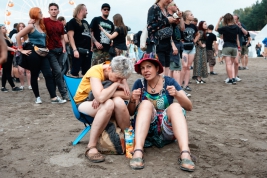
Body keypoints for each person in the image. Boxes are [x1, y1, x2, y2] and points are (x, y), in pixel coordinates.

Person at [128, 53, 194, 171]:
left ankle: (185, 152)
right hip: (146, 131)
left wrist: (178, 94)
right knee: (146, 104)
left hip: (167, 130)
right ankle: (138, 150)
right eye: (142, 68)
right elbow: (131, 113)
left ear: (157, 68)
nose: (145, 70)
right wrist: (132, 100)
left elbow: (189, 106)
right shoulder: (139, 84)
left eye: (149, 67)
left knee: (175, 106)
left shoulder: (169, 82)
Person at [74, 56, 133, 163]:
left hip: (101, 102)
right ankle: (91, 147)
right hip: (84, 102)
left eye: (122, 79)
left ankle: (129, 138)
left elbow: (127, 95)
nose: (120, 81)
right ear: (109, 69)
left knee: (118, 101)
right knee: (109, 103)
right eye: (118, 78)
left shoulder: (119, 72)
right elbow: (101, 98)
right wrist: (115, 85)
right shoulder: (95, 71)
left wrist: (105, 94)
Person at [16, 7, 65, 104]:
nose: (42, 13)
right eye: (40, 12)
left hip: (43, 52)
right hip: (33, 52)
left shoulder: (42, 25)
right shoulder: (31, 26)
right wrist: (21, 50)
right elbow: (18, 36)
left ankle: (54, 97)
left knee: (48, 74)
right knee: (34, 75)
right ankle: (37, 97)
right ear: (35, 14)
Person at [147, 0, 178, 76]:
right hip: (157, 44)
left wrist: (174, 22)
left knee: (166, 71)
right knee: (160, 71)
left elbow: (168, 28)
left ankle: (164, 87)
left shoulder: (165, 10)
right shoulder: (154, 8)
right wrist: (166, 21)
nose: (170, 1)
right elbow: (150, 27)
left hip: (167, 44)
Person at [44, 3, 68, 101]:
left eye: (55, 9)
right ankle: (63, 94)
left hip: (60, 50)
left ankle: (53, 94)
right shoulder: (44, 21)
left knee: (58, 73)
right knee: (58, 72)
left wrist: (64, 48)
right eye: (52, 9)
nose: (53, 11)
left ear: (58, 11)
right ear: (49, 11)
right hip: (50, 50)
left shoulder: (60, 24)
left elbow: (62, 38)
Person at [67, 4, 92, 77]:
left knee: (86, 72)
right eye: (86, 10)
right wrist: (75, 50)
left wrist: (91, 48)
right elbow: (70, 36)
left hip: (87, 51)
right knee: (75, 71)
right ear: (81, 10)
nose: (87, 12)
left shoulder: (86, 22)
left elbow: (89, 35)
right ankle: (74, 87)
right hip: (78, 50)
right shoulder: (72, 22)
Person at [215, 13, 240, 84]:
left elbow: (216, 29)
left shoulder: (225, 28)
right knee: (231, 63)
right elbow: (236, 27)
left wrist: (219, 20)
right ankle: (234, 78)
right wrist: (233, 21)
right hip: (234, 47)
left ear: (225, 20)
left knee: (228, 64)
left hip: (227, 46)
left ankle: (230, 79)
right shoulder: (236, 27)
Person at [180, 10, 200, 92]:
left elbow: (198, 34)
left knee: (188, 67)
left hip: (192, 47)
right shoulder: (181, 25)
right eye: (191, 15)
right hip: (184, 48)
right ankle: (180, 84)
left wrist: (194, 41)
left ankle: (186, 85)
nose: (193, 16)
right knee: (184, 66)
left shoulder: (193, 26)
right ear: (186, 16)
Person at [167, 2, 185, 87]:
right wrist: (173, 45)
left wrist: (180, 17)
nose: (177, 7)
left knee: (172, 68)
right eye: (174, 5)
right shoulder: (168, 18)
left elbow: (182, 28)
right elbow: (168, 33)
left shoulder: (175, 18)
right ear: (169, 7)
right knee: (176, 68)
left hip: (177, 43)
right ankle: (178, 89)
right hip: (173, 44)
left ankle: (169, 87)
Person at [0, 24, 22, 92]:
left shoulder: (6, 37)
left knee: (5, 72)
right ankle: (13, 86)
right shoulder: (1, 38)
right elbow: (5, 47)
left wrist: (15, 49)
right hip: (5, 55)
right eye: (3, 28)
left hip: (10, 55)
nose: (5, 29)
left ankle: (3, 87)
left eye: (5, 28)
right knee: (7, 72)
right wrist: (13, 50)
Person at [11, 22, 32, 90]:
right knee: (20, 71)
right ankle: (22, 85)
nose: (21, 27)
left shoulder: (28, 35)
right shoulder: (15, 35)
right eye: (20, 26)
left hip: (27, 54)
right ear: (17, 28)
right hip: (19, 54)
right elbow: (11, 44)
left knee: (28, 71)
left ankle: (29, 85)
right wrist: (16, 48)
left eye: (23, 26)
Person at [233, 15, 248, 82]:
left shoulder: (241, 25)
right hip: (230, 44)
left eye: (234, 19)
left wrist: (240, 27)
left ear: (237, 19)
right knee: (231, 61)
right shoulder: (229, 25)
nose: (233, 20)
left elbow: (246, 33)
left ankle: (236, 75)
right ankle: (232, 75)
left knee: (237, 60)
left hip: (239, 44)